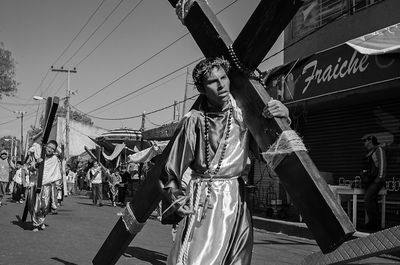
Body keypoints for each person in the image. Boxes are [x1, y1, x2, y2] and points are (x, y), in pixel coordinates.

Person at [159, 57, 290, 265]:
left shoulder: (243, 113)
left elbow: (269, 152)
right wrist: (177, 198)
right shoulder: (194, 120)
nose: (221, 85)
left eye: (223, 78)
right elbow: (170, 170)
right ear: (202, 89)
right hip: (204, 199)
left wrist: (282, 118)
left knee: (237, 259)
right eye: (212, 81)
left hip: (236, 197)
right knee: (197, 259)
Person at [32, 140, 62, 231]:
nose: (50, 149)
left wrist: (58, 186)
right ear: (45, 147)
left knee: (45, 206)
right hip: (37, 184)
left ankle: (41, 221)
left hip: (47, 185)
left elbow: (57, 172)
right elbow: (31, 167)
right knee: (36, 205)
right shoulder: (39, 156)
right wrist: (37, 163)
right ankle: (36, 224)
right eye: (49, 147)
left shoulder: (55, 159)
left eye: (52, 148)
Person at [361, 134, 386, 231]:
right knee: (372, 201)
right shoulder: (370, 152)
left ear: (370, 140)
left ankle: (374, 223)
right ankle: (375, 224)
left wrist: (379, 178)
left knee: (368, 198)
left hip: (377, 180)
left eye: (365, 141)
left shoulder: (379, 150)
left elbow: (382, 164)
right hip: (370, 181)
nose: (364, 143)